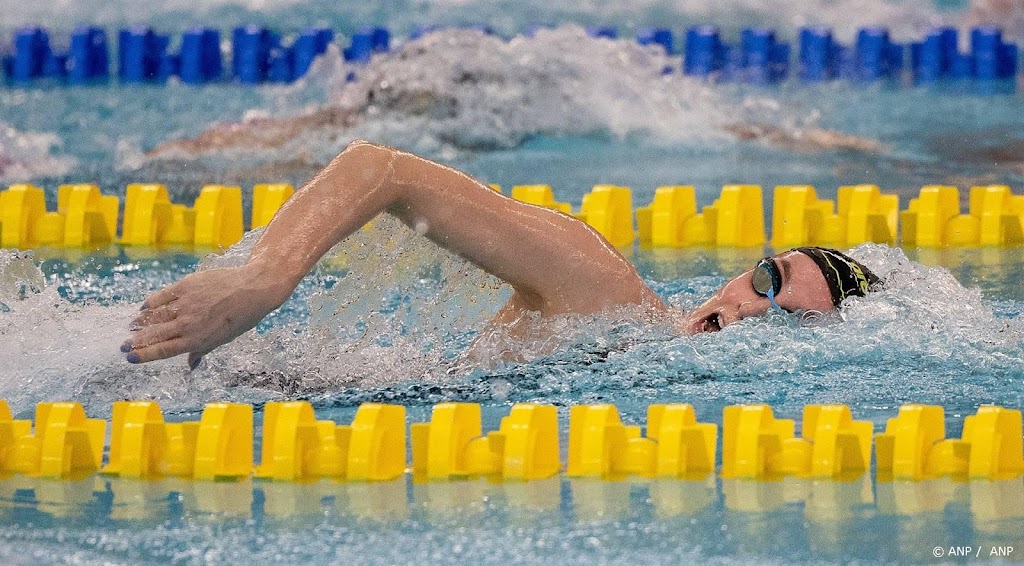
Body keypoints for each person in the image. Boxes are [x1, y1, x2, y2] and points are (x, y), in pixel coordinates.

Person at [122, 140, 878, 368]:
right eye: (769, 278)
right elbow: (381, 169)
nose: (752, 308)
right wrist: (263, 278)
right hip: (208, 374)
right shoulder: (606, 292)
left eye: (789, 321)